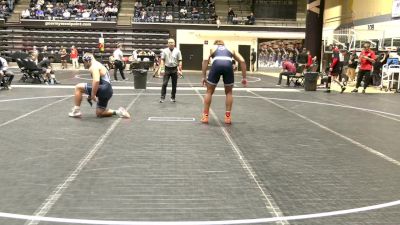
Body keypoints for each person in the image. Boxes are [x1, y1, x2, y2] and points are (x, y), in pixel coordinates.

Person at [68, 53, 130, 118]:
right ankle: (119, 112)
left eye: (84, 62)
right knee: (100, 112)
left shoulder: (94, 66)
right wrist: (91, 94)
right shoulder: (98, 64)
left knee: (78, 87)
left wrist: (93, 94)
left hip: (103, 88)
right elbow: (99, 82)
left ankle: (76, 111)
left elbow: (96, 81)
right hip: (108, 90)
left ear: (88, 60)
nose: (84, 64)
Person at [200, 40, 247, 124]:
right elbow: (242, 61)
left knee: (209, 91)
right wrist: (244, 77)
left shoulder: (212, 48)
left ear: (216, 44)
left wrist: (203, 76)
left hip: (216, 66)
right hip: (228, 67)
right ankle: (228, 117)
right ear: (223, 44)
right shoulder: (231, 48)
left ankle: (205, 116)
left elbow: (205, 59)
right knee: (229, 92)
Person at [159, 38, 182, 103]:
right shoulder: (164, 51)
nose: (171, 43)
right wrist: (162, 69)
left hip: (174, 69)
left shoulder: (178, 51)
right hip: (167, 69)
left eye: (172, 42)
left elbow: (180, 60)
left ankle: (173, 97)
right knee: (164, 84)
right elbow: (162, 60)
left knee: (174, 84)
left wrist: (180, 70)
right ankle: (162, 98)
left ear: (174, 43)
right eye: (169, 42)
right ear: (167, 44)